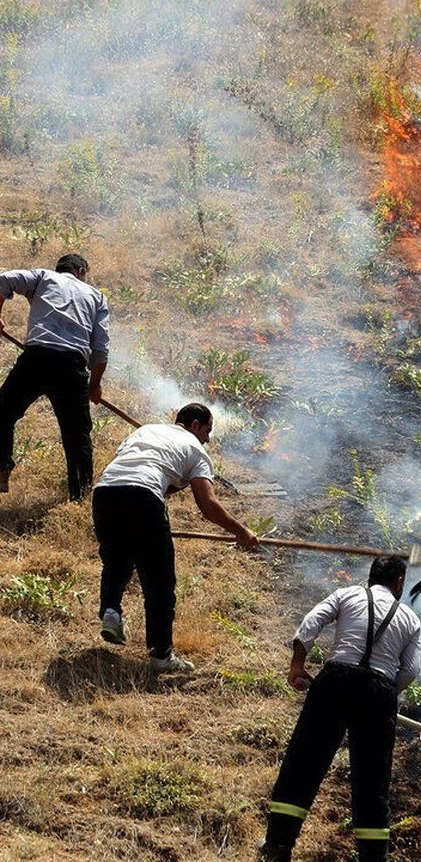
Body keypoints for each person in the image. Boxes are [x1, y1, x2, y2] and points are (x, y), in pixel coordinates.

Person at [260, 554, 421, 862]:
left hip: (334, 681)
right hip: (379, 691)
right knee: (373, 782)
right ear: (399, 582)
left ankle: (278, 846)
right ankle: (372, 858)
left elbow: (312, 621)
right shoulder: (411, 619)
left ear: (371, 576)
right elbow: (410, 671)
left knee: (303, 764)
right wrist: (384, 695)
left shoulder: (348, 594)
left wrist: (297, 665)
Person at [93, 402, 259, 673]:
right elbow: (208, 505)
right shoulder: (196, 450)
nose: (207, 439)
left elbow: (132, 468)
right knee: (159, 581)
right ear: (195, 425)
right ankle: (161, 655)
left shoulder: (145, 430)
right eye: (207, 431)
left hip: (105, 492)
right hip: (144, 496)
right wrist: (241, 531)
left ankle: (111, 611)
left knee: (117, 560)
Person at [0, 253, 109, 500]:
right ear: (81, 272)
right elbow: (101, 350)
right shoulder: (97, 297)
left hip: (36, 359)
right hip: (71, 368)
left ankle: (1, 466)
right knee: (77, 434)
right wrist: (94, 386)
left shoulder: (43, 277)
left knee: (3, 411)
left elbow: (3, 280)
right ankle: (80, 496)